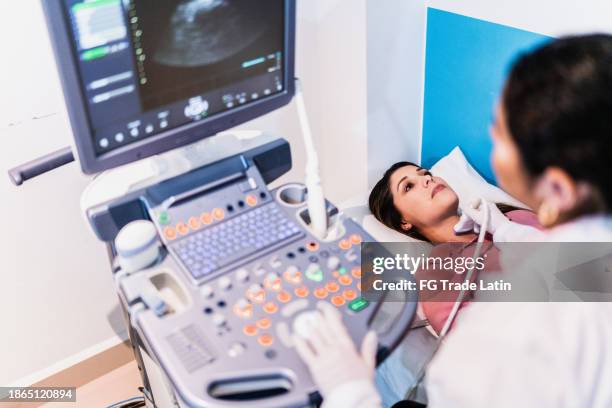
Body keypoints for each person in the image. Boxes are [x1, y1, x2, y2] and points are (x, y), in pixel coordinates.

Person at [294, 34, 612, 407]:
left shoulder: (515, 219)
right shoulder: (434, 270)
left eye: (502, 134)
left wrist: (349, 392)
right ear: (405, 224)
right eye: (410, 185)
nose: (428, 178)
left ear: (558, 188)